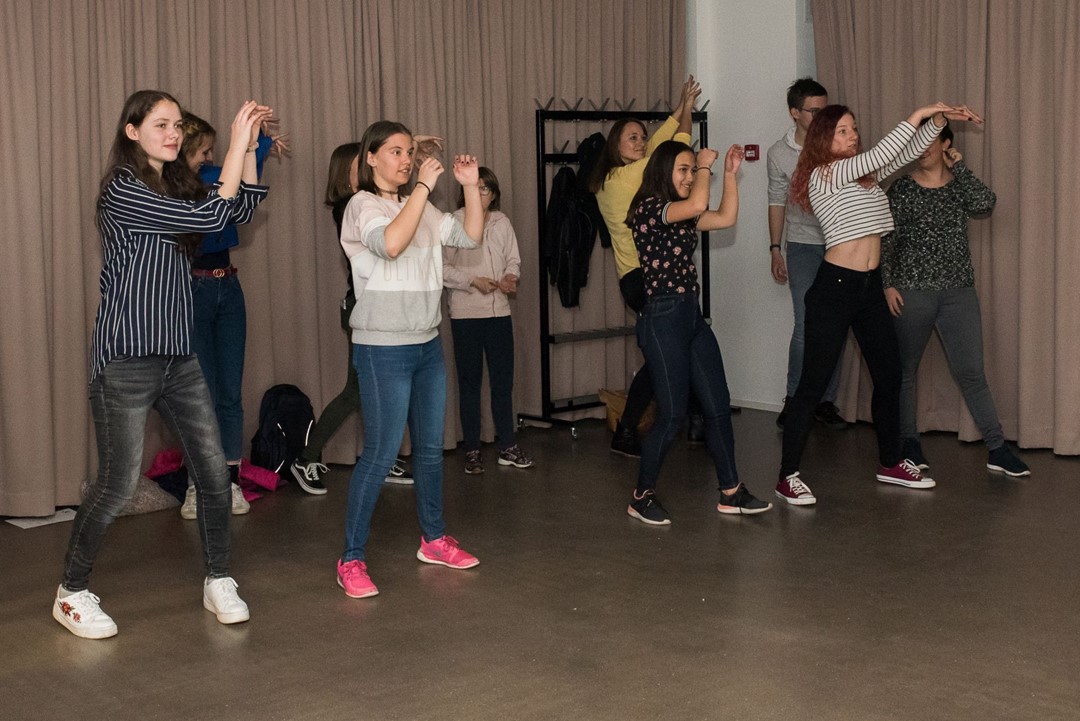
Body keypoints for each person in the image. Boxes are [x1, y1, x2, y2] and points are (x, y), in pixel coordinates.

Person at [53, 91, 270, 639]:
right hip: (126, 359)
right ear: (132, 131)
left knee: (214, 473)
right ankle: (71, 591)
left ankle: (218, 578)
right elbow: (210, 213)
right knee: (116, 485)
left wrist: (247, 152)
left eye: (177, 125)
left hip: (178, 356)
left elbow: (236, 211)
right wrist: (238, 144)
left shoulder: (175, 184)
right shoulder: (123, 189)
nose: (173, 134)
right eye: (161, 125)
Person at [777, 101, 983, 507]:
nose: (852, 135)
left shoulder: (864, 177)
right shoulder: (825, 174)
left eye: (853, 128)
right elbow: (884, 152)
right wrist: (920, 112)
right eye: (842, 131)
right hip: (835, 289)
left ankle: (890, 462)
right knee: (812, 385)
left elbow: (907, 151)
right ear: (822, 139)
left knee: (889, 376)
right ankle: (787, 476)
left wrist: (939, 121)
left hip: (869, 288)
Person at [335, 120, 484, 599]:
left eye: (408, 152)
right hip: (382, 348)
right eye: (395, 152)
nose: (405, 160)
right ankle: (350, 558)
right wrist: (422, 186)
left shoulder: (422, 206)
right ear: (371, 158)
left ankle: (434, 540)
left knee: (429, 451)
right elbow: (391, 244)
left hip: (426, 344)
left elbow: (471, 236)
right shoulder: (362, 206)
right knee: (381, 454)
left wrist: (469, 187)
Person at [624, 140, 772, 524]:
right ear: (663, 171)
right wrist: (706, 166)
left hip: (690, 317)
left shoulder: (681, 213)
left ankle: (731, 492)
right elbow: (697, 206)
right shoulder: (650, 209)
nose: (690, 176)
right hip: (662, 319)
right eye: (684, 170)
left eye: (693, 170)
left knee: (717, 406)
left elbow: (724, 218)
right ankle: (641, 496)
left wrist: (729, 175)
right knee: (672, 414)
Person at [883, 121, 1030, 477]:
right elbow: (887, 239)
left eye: (930, 140)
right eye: (917, 140)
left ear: (946, 143)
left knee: (971, 372)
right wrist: (887, 284)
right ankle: (910, 444)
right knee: (905, 372)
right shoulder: (901, 188)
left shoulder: (958, 186)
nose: (922, 147)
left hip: (958, 292)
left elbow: (985, 203)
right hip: (911, 291)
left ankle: (997, 448)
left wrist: (959, 168)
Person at [288, 143, 415, 494]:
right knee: (356, 391)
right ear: (347, 171)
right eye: (363, 163)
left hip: (381, 305)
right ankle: (306, 458)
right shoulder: (350, 206)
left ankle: (381, 458)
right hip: (364, 307)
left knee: (378, 389)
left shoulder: (370, 201)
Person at [177, 111, 285, 516]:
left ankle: (230, 482)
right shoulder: (170, 187)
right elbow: (223, 196)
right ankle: (197, 485)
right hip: (192, 290)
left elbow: (245, 199)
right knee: (199, 393)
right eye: (204, 149)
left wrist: (259, 144)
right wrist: (251, 149)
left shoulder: (215, 174)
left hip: (228, 288)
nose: (210, 156)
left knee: (229, 395)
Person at [590, 76, 703, 457]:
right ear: (616, 147)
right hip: (643, 279)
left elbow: (664, 141)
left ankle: (692, 419)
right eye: (633, 138)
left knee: (679, 347)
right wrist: (686, 112)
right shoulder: (622, 178)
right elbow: (677, 146)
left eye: (642, 137)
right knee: (666, 354)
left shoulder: (627, 172)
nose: (641, 142)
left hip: (654, 275)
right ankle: (630, 429)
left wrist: (682, 105)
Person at [766, 78, 847, 430]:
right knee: (805, 323)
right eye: (815, 111)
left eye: (825, 110)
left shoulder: (839, 143)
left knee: (836, 323)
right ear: (794, 113)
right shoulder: (778, 153)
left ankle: (825, 402)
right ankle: (794, 399)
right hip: (802, 245)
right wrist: (775, 248)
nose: (821, 117)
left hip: (841, 244)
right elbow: (776, 201)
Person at [444, 166, 533, 475]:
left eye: (485, 189)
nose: (480, 193)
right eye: (475, 187)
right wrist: (472, 281)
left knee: (502, 383)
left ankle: (507, 445)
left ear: (493, 195)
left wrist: (511, 277)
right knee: (469, 383)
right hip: (466, 314)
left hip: (499, 313)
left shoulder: (501, 221)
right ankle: (471, 449)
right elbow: (441, 268)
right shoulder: (453, 222)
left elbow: (513, 260)